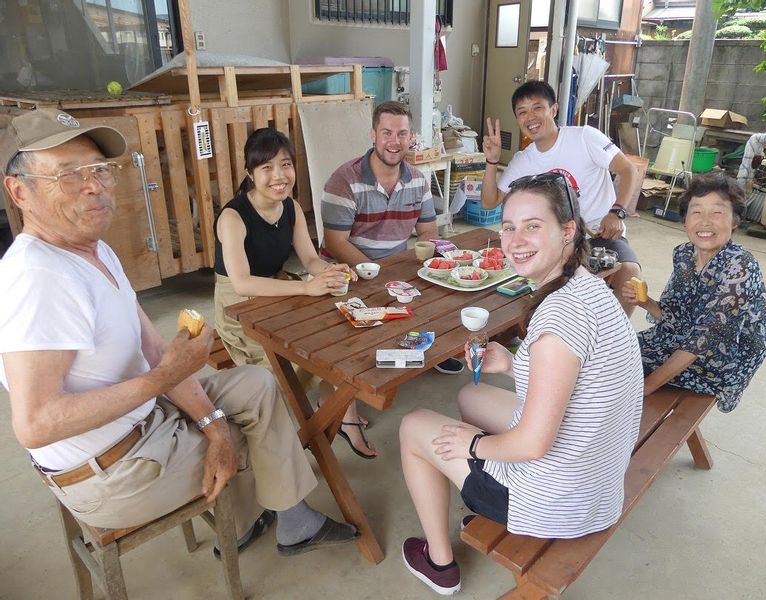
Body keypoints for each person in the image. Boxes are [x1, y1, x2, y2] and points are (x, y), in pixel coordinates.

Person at [0, 109, 358, 561]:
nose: (93, 186)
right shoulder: (36, 276)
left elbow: (156, 351)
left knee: (261, 387)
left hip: (147, 420)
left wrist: (211, 424)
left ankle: (269, 518)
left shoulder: (96, 252)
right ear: (19, 192)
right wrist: (175, 392)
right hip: (114, 470)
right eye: (68, 175)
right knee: (271, 431)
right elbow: (35, 424)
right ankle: (270, 519)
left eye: (99, 170)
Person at [399, 173, 643, 595]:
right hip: (595, 478)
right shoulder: (588, 287)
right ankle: (477, 490)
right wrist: (512, 364)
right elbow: (575, 377)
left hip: (558, 502)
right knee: (470, 394)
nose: (516, 240)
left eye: (533, 226)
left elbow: (532, 445)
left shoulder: (556, 320)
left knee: (412, 425)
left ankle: (439, 562)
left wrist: (473, 445)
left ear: (567, 231)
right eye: (509, 227)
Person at [213, 127, 375, 459]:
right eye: (267, 168)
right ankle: (301, 423)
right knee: (288, 356)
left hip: (279, 288)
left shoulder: (292, 206)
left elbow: (311, 258)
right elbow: (242, 282)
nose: (279, 176)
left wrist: (328, 273)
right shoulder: (233, 216)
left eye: (285, 165)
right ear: (250, 174)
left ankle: (333, 410)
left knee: (337, 330)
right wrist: (305, 286)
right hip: (239, 304)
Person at [321, 100, 464, 375]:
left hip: (395, 267)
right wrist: (378, 275)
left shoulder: (418, 180)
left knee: (439, 287)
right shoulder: (344, 180)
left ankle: (431, 349)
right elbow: (334, 243)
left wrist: (429, 261)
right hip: (347, 270)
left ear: (411, 138)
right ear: (373, 135)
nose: (394, 141)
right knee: (355, 333)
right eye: (386, 133)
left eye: (401, 134)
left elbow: (427, 231)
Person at [481, 80, 641, 314]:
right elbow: (489, 201)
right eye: (522, 112)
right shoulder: (523, 159)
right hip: (551, 240)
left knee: (629, 274)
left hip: (599, 234)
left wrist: (617, 211)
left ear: (553, 109)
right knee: (517, 283)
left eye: (537, 108)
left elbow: (628, 170)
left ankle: (610, 336)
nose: (530, 117)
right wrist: (492, 160)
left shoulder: (584, 137)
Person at [621, 174, 766, 412]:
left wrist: (645, 388)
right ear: (685, 221)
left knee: (617, 375)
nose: (705, 222)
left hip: (721, 362)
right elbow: (678, 319)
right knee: (607, 352)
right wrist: (645, 302)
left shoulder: (740, 266)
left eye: (717, 213)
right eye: (696, 212)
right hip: (681, 340)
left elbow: (704, 340)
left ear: (734, 221)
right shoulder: (683, 255)